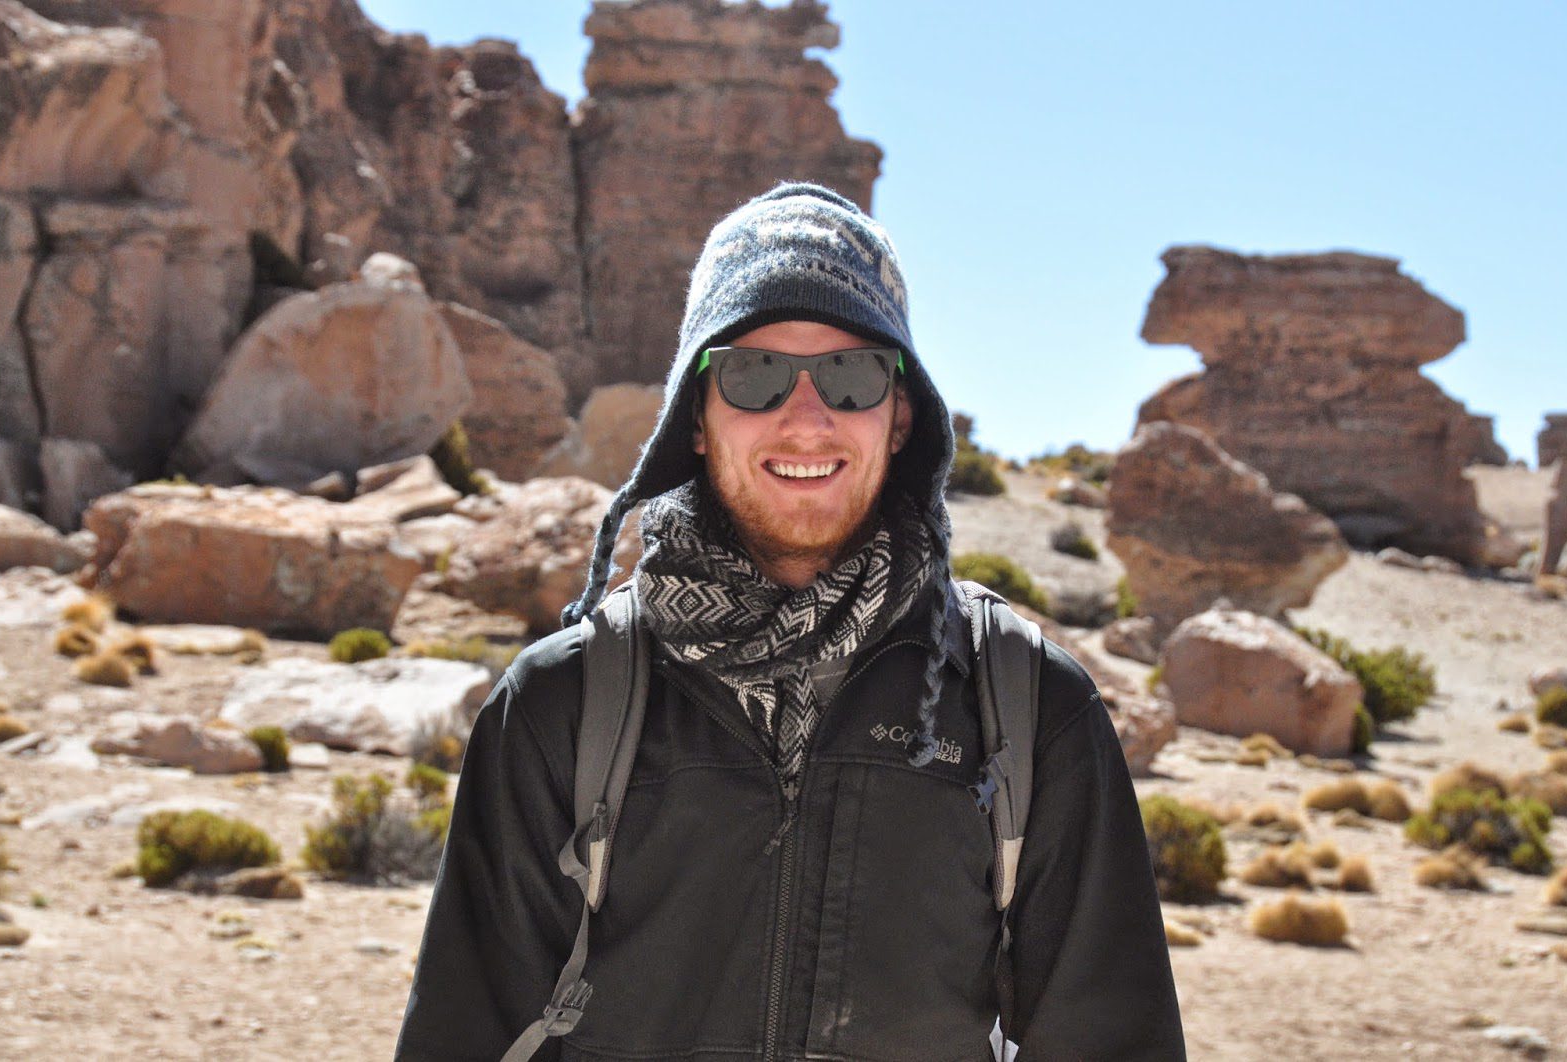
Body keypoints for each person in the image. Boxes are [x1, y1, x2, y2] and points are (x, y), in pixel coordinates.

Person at [396, 183, 1186, 1060]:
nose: (806, 419)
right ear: (695, 417)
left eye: (852, 376)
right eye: (754, 373)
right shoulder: (562, 705)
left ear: (900, 417)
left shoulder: (1030, 707)